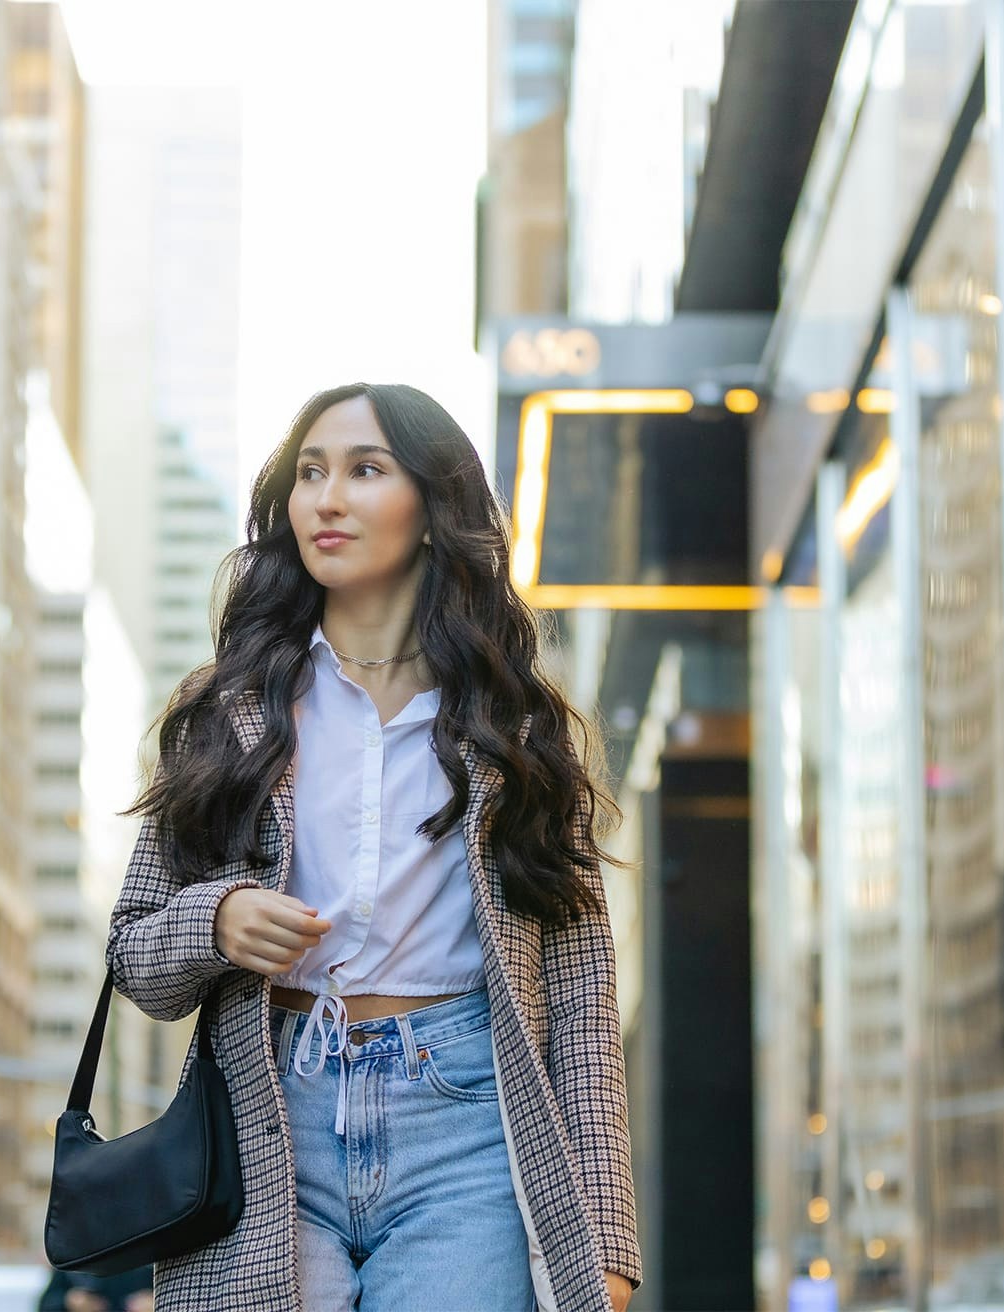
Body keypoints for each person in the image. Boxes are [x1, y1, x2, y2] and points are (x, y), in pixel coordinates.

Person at [106, 383, 638, 1312]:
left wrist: (605, 1235)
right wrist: (219, 921)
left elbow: (583, 998)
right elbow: (136, 959)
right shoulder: (230, 712)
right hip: (273, 1120)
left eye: (365, 470)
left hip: (469, 1126)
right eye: (310, 473)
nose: (327, 498)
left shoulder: (517, 727)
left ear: (433, 510)